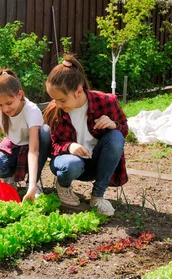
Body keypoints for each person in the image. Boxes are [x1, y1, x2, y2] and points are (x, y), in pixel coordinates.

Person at [44, 55, 128, 216]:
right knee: (70, 164)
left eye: (61, 99)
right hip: (70, 163)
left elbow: (124, 130)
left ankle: (97, 197)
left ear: (79, 91)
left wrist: (113, 124)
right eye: (54, 99)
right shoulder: (54, 110)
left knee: (116, 136)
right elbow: (53, 146)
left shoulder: (106, 102)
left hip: (96, 163)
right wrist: (70, 146)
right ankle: (63, 187)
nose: (57, 104)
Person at [0, 69, 51, 202]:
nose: (5, 109)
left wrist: (32, 184)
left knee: (45, 132)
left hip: (32, 148)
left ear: (19, 95)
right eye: (0, 105)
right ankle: (9, 182)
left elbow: (33, 151)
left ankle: (32, 184)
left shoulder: (31, 110)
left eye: (8, 103)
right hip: (13, 148)